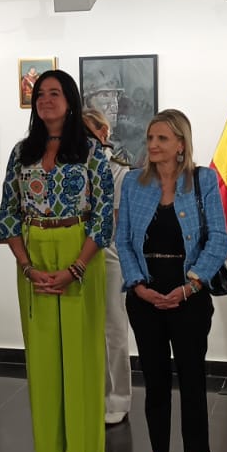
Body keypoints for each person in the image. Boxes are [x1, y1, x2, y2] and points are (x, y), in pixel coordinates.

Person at [0, 69, 115, 452]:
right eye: (40, 94)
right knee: (43, 360)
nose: (46, 100)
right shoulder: (21, 152)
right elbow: (8, 214)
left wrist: (76, 268)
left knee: (81, 358)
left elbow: (103, 216)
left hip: (79, 251)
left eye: (55, 93)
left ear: (70, 101)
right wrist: (27, 266)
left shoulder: (91, 152)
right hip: (33, 255)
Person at [115, 109, 227, 452]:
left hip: (189, 298)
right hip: (145, 298)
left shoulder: (203, 180)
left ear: (181, 144)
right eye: (150, 138)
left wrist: (190, 285)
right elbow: (123, 240)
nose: (152, 145)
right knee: (156, 384)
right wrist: (138, 285)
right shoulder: (134, 183)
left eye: (162, 138)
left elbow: (219, 239)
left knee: (193, 382)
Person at [81, 106, 134, 427]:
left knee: (113, 327)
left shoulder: (118, 171)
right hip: (74, 253)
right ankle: (92, 394)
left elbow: (111, 220)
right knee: (85, 328)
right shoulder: (72, 169)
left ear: (104, 133)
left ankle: (117, 398)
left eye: (89, 133)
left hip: (108, 252)